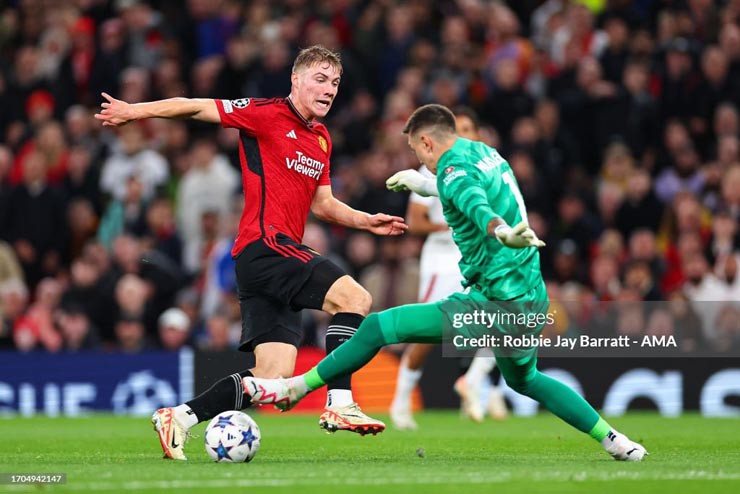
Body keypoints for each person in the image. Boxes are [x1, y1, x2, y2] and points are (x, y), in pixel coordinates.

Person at [243, 104, 647, 461]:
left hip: (493, 303)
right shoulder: (485, 153)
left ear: (427, 142)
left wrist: (499, 230)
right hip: (530, 294)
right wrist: (423, 185)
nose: (421, 161)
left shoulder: (454, 173)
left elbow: (475, 203)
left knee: (377, 326)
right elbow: (464, 187)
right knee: (525, 379)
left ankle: (298, 388)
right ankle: (613, 439)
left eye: (418, 153)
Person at [96, 45, 407, 460]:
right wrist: (136, 112)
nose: (329, 89)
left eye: (334, 82)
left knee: (273, 378)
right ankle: (339, 403)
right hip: (267, 247)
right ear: (295, 80)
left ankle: (181, 417)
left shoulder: (321, 138)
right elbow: (194, 107)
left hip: (267, 260)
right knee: (356, 299)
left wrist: (366, 220)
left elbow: (324, 205)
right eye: (320, 78)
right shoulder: (264, 113)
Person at [389, 107, 507, 431]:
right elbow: (414, 221)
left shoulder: (486, 167)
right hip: (441, 262)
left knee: (505, 320)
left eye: (469, 129)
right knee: (429, 333)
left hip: (478, 257)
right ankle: (400, 402)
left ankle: (476, 382)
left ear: (477, 134)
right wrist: (450, 228)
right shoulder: (428, 168)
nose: (465, 135)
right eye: (460, 130)